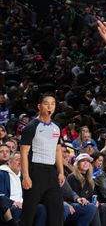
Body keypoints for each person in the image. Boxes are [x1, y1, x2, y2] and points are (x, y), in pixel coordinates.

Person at [20, 94, 65, 226]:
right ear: (39, 106)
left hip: (51, 172)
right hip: (35, 171)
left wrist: (61, 171)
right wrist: (26, 176)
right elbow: (23, 153)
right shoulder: (30, 127)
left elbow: (57, 150)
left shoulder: (56, 128)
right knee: (29, 213)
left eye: (53, 103)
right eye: (46, 103)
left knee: (57, 211)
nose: (50, 106)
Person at [1, 152, 46, 226]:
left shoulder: (23, 177)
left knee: (41, 208)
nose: (20, 162)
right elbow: (1, 195)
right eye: (17, 160)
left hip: (22, 204)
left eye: (22, 160)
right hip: (10, 205)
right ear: (9, 162)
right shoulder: (2, 174)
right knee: (17, 210)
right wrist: (13, 202)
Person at [66, 154, 106, 226]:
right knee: (93, 208)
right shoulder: (72, 177)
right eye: (83, 161)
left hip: (88, 203)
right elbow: (72, 195)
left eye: (87, 161)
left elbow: (94, 195)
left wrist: (97, 201)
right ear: (77, 164)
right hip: (75, 204)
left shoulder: (90, 179)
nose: (86, 163)